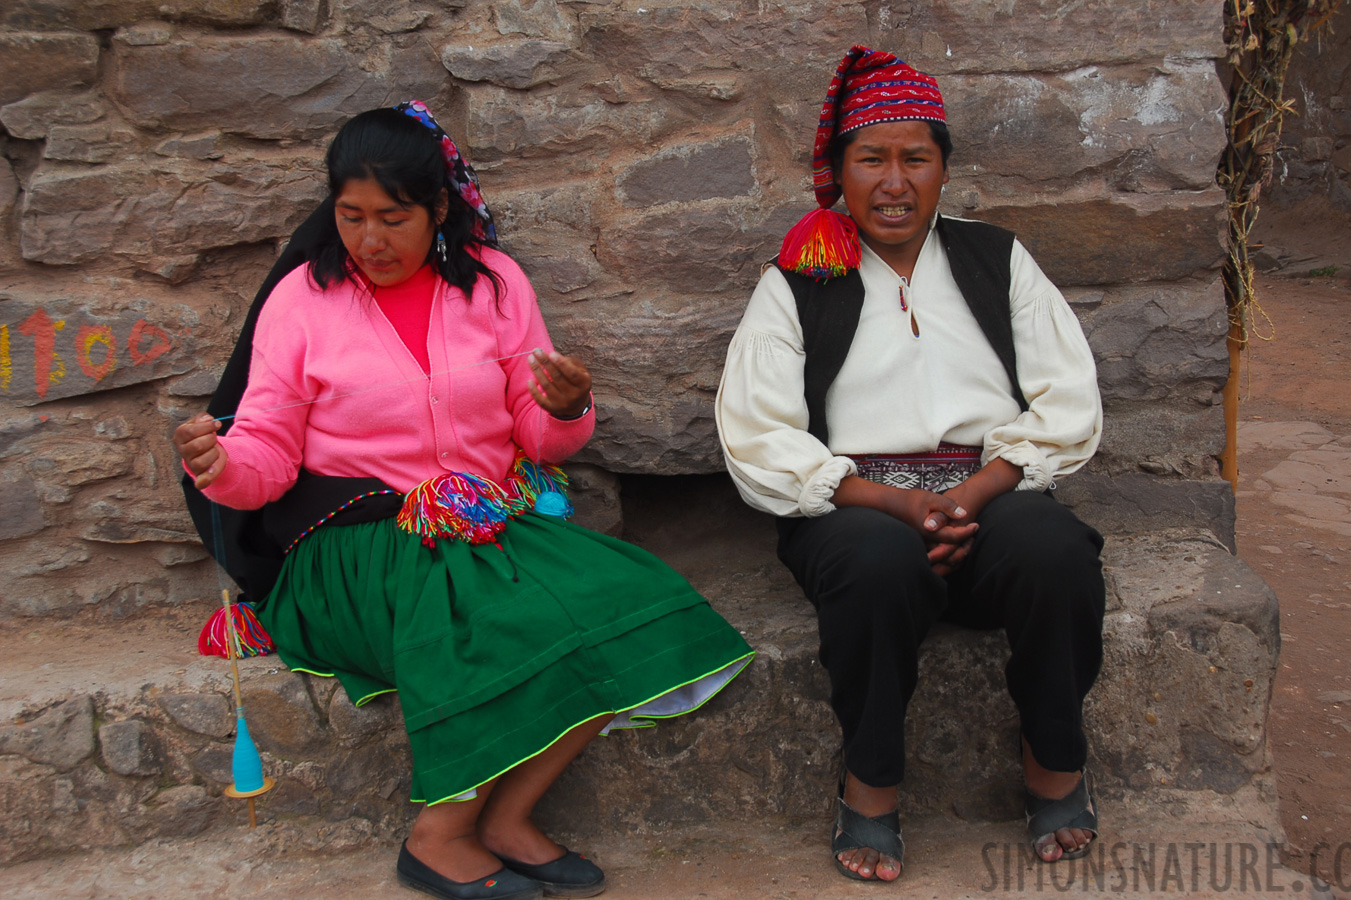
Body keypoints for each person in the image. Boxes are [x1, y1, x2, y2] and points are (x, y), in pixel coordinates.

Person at [176, 101, 753, 900]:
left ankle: (509, 818)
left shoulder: (494, 285)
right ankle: (439, 833)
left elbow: (537, 436)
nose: (369, 240)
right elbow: (267, 458)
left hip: (484, 526)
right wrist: (221, 465)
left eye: (392, 217)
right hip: (353, 546)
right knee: (478, 617)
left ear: (438, 210)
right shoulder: (302, 303)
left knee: (628, 597)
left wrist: (560, 406)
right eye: (350, 216)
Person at [715, 47, 1105, 882]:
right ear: (838, 172)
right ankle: (871, 788)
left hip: (988, 490)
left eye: (914, 159)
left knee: (1054, 554)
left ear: (942, 169)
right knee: (874, 565)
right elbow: (758, 436)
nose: (893, 182)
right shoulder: (796, 282)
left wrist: (974, 491)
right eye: (871, 160)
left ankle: (1055, 768)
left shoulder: (995, 260)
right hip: (855, 505)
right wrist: (895, 506)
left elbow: (1067, 401)